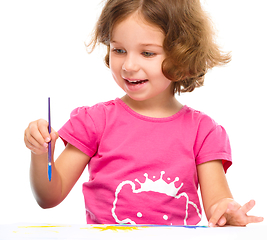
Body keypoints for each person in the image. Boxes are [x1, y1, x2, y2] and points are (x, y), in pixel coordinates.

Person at [24, 0, 264, 227]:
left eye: (147, 53)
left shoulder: (203, 132)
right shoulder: (94, 122)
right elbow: (49, 197)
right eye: (119, 50)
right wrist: (40, 153)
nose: (128, 65)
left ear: (182, 58)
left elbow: (217, 205)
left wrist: (227, 212)